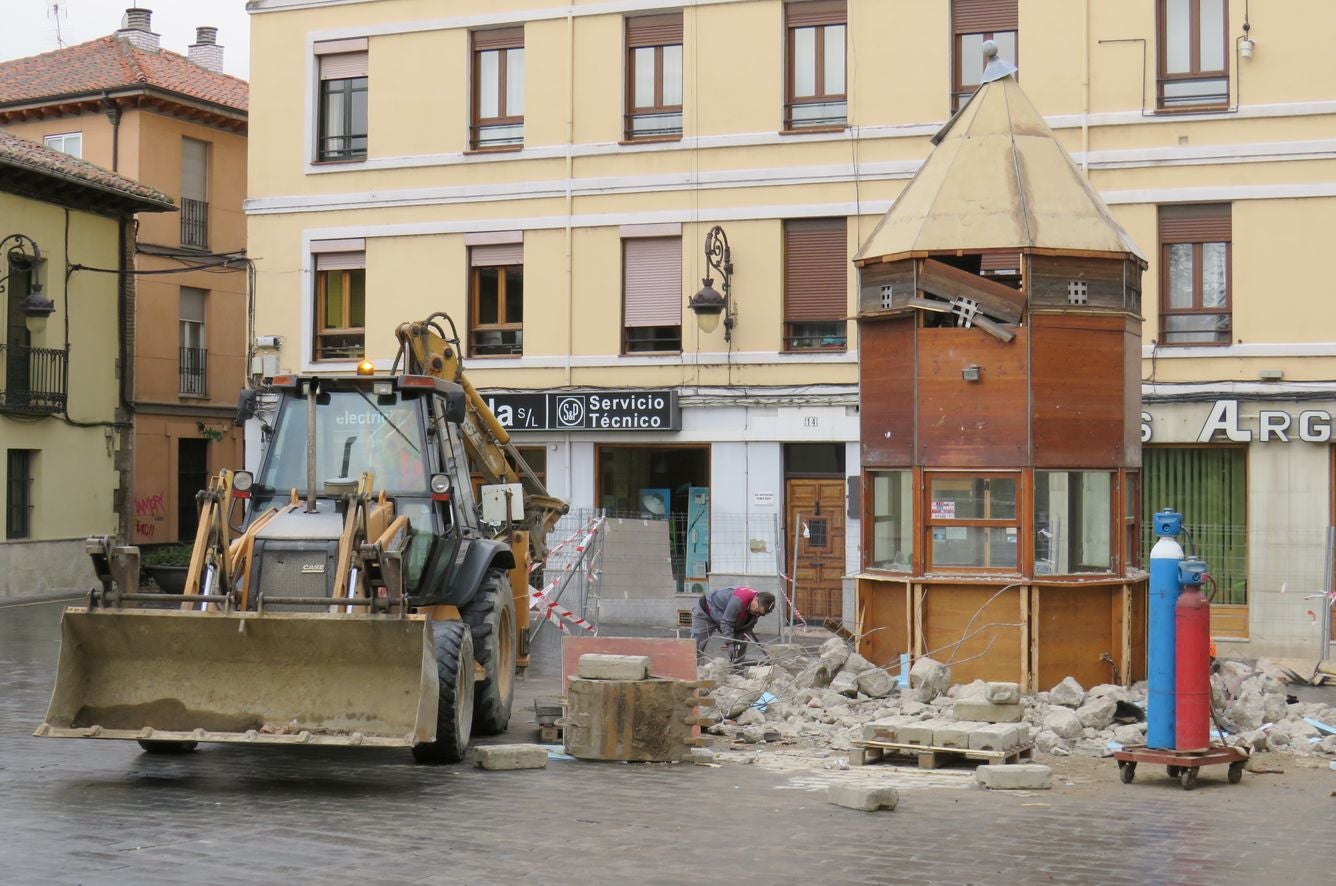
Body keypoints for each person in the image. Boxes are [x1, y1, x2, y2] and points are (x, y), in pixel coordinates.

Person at [692, 586, 776, 663]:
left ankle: (737, 673)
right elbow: (726, 623)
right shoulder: (739, 600)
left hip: (723, 616)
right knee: (697, 646)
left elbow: (747, 627)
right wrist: (730, 643)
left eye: (761, 614)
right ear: (755, 599)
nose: (757, 615)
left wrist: (740, 641)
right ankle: (691, 672)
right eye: (757, 611)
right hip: (706, 611)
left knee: (741, 641)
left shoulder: (757, 608)